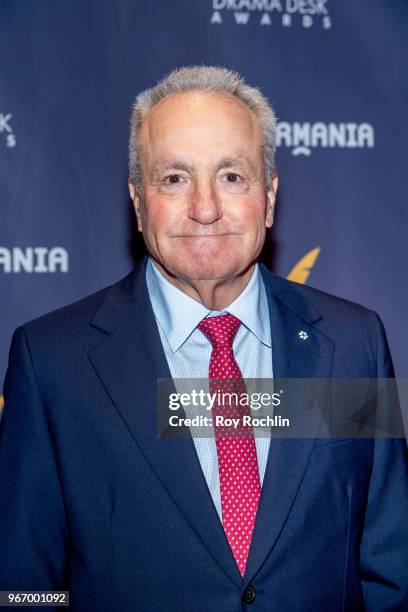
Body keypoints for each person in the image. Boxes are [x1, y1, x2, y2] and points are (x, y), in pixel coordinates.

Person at [0, 65, 407, 611]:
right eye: (174, 178)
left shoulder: (354, 344)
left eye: (232, 176)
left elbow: (391, 571)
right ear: (139, 201)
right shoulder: (52, 363)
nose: (206, 207)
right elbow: (22, 591)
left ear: (269, 194)